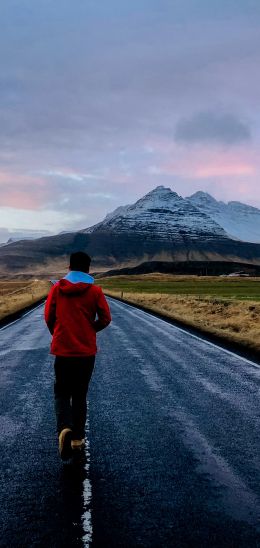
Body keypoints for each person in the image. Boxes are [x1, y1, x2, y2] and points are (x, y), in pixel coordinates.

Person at [44, 251, 111, 461]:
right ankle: (77, 439)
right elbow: (106, 318)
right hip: (85, 351)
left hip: (63, 350)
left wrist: (58, 334)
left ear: (69, 267)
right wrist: (90, 330)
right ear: (88, 269)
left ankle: (64, 428)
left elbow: (48, 317)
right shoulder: (95, 291)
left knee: (62, 392)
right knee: (80, 394)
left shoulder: (57, 289)